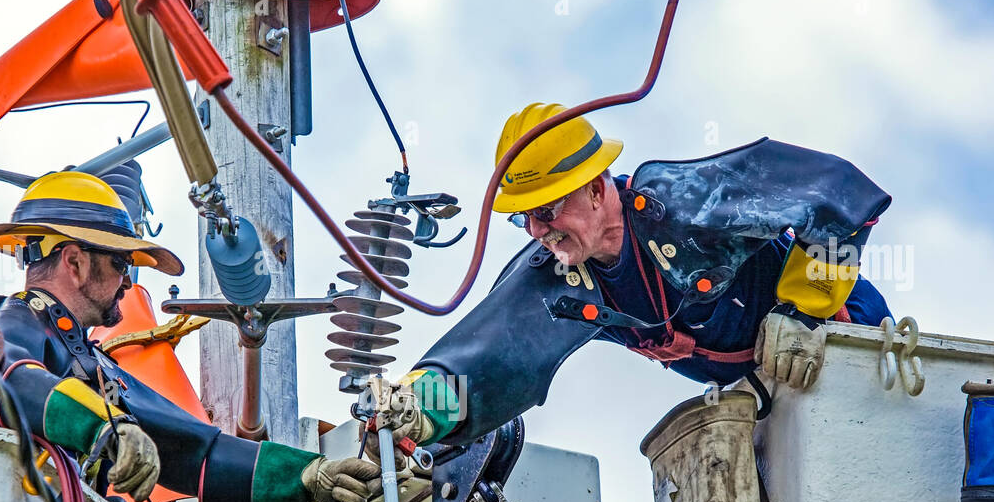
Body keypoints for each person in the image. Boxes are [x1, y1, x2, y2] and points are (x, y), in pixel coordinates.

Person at [376, 103, 896, 451]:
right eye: (524, 217)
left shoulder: (687, 203)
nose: (538, 231)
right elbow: (485, 359)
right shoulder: (561, 278)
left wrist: (806, 309)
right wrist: (415, 409)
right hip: (764, 404)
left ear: (598, 190)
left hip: (849, 345)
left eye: (548, 210)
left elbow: (841, 194)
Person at [0, 170, 378, 502]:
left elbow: (194, 450)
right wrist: (105, 428)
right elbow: (2, 379)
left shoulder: (90, 364)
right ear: (74, 262)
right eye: (121, 264)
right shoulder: (8, 325)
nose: (128, 281)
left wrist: (307, 474)